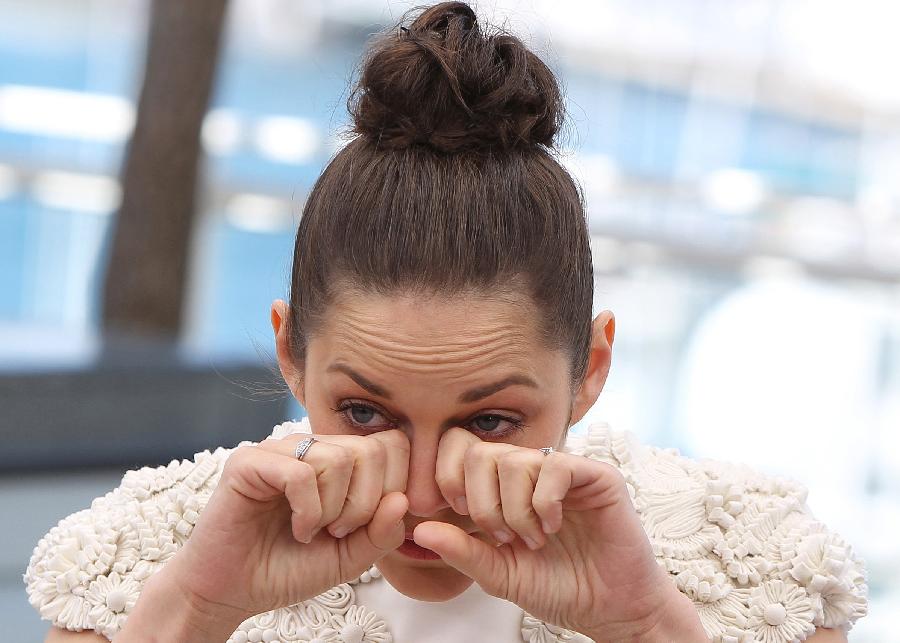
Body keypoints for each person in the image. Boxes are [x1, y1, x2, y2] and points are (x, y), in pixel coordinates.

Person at [25, 2, 868, 641]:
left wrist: (648, 624)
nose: (425, 495)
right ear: (290, 352)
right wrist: (197, 608)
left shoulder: (758, 567)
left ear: (591, 369)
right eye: (363, 412)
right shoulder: (137, 562)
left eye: (492, 421)